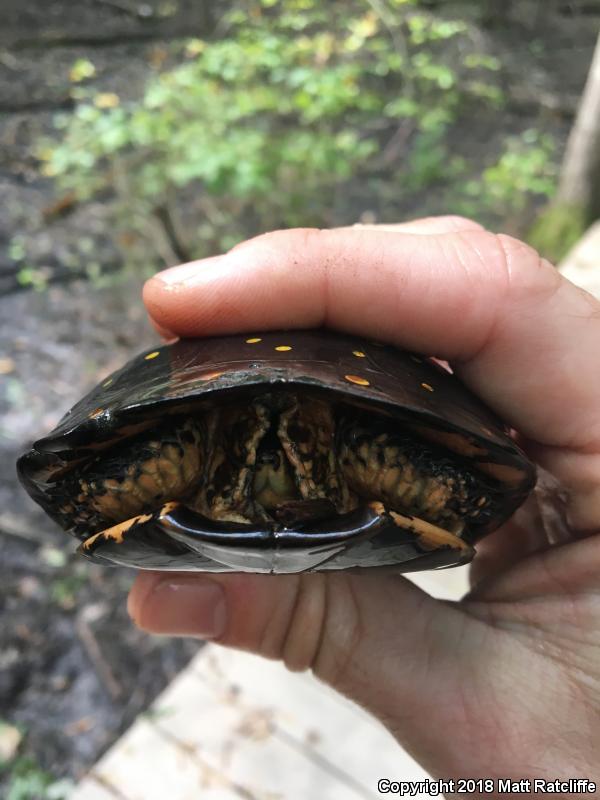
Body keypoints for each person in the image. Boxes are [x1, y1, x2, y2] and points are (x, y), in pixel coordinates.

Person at [127, 217, 600, 783]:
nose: (277, 436)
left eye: (303, 427)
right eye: (247, 429)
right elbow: (84, 477)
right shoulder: (181, 454)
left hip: (365, 425)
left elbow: (462, 481)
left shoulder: (368, 453)